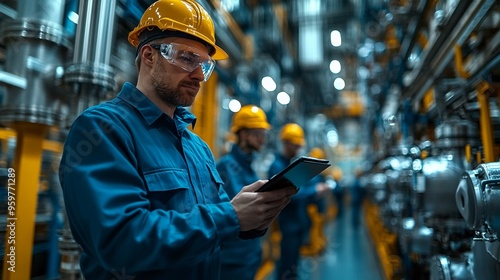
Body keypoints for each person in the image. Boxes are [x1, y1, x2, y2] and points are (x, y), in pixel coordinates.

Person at [58, 1, 296, 279]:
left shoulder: (198, 148)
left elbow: (220, 223)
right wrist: (230, 217)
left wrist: (253, 213)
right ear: (149, 56)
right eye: (187, 59)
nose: (198, 76)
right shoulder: (102, 129)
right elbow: (119, 240)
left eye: (204, 66)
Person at [216, 105, 271, 280]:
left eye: (264, 134)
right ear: (243, 134)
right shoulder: (227, 166)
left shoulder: (248, 167)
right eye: (258, 133)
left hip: (250, 252)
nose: (263, 139)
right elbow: (238, 210)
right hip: (233, 257)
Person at [268, 123, 329, 279]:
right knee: (286, 262)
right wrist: (314, 191)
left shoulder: (290, 164)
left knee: (294, 262)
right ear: (286, 142)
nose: (296, 148)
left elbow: (302, 188)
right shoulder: (277, 166)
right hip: (288, 225)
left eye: (298, 145)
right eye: (294, 145)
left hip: (298, 222)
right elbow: (288, 194)